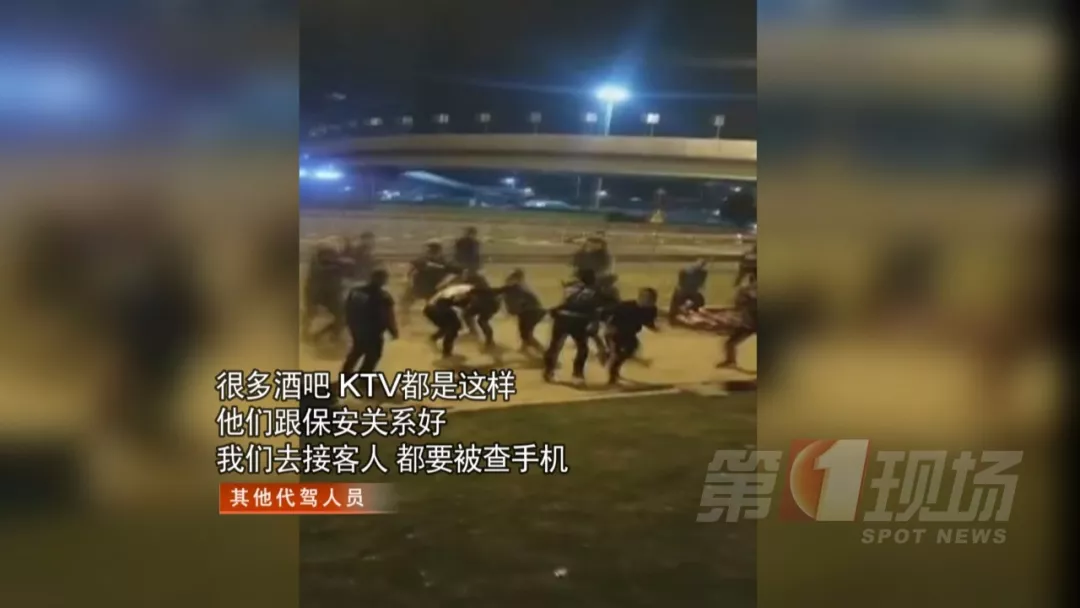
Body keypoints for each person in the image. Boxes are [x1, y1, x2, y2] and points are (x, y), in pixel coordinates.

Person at [543, 268, 603, 384]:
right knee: (582, 348)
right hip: (578, 321)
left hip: (562, 318)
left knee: (554, 346)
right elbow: (594, 309)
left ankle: (548, 371)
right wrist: (594, 323)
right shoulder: (595, 291)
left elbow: (564, 303)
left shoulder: (571, 288)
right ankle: (577, 374)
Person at [341, 268, 398, 379]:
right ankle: (363, 376)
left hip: (357, 328)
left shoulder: (356, 291)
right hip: (373, 330)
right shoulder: (383, 296)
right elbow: (388, 315)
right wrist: (393, 330)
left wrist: (349, 323)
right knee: (374, 355)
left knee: (357, 350)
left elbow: (347, 307)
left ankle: (346, 374)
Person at [604, 287, 660, 384]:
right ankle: (612, 378)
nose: (649, 301)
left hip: (630, 334)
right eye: (646, 298)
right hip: (615, 333)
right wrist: (609, 328)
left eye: (652, 299)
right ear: (640, 297)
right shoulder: (626, 306)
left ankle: (612, 365)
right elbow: (608, 315)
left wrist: (655, 328)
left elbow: (648, 322)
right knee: (617, 355)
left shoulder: (651, 310)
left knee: (630, 350)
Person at [302, 240, 349, 343]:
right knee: (309, 316)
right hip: (316, 295)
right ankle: (306, 335)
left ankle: (329, 336)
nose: (330, 256)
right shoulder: (316, 265)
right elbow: (322, 270)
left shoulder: (337, 265)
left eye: (332, 254)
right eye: (327, 254)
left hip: (332, 296)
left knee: (343, 317)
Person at [401, 241, 459, 322]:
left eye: (433, 250)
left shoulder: (444, 261)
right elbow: (412, 267)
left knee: (435, 305)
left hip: (434, 285)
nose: (430, 252)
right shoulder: (424, 259)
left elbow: (453, 272)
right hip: (420, 284)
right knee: (406, 301)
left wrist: (444, 282)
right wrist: (407, 277)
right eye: (431, 250)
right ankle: (405, 319)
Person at [423, 280, 475, 360]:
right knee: (453, 327)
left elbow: (457, 304)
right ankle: (446, 353)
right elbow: (459, 304)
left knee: (450, 326)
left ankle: (434, 339)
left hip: (430, 308)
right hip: (436, 307)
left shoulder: (460, 288)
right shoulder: (467, 290)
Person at [499, 268, 546, 354]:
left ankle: (545, 353)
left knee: (527, 335)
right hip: (526, 313)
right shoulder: (517, 287)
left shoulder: (519, 288)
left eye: (512, 277)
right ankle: (524, 348)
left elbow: (516, 303)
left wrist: (511, 311)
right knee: (523, 332)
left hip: (532, 312)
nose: (508, 279)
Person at [719, 273, 757, 369]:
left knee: (730, 343)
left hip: (750, 324)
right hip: (748, 324)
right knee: (730, 343)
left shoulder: (747, 291)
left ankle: (730, 361)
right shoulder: (746, 291)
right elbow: (739, 304)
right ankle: (730, 361)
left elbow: (740, 303)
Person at [459, 269, 500, 350]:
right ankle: (474, 332)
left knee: (482, 320)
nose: (463, 277)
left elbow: (469, 294)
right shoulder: (478, 281)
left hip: (488, 304)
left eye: (465, 275)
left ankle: (489, 341)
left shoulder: (474, 283)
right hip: (486, 303)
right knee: (468, 314)